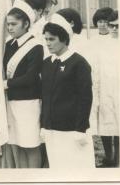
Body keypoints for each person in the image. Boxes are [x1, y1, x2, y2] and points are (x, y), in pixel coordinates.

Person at [40, 13, 94, 169]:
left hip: (72, 131)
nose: (48, 43)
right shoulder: (47, 63)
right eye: (46, 39)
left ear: (63, 39)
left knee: (77, 169)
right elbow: (46, 96)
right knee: (58, 168)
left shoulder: (79, 63)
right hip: (52, 130)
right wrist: (44, 124)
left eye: (52, 39)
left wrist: (81, 129)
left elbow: (85, 98)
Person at [2, 0, 43, 168]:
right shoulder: (9, 44)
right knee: (17, 144)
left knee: (30, 145)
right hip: (11, 101)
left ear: (26, 23)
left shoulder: (36, 46)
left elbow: (31, 77)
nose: (10, 28)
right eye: (8, 24)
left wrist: (6, 83)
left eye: (14, 24)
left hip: (28, 102)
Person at [93, 10, 119, 167]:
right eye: (111, 26)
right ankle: (109, 157)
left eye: (117, 26)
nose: (113, 29)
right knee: (107, 123)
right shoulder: (102, 43)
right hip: (105, 89)